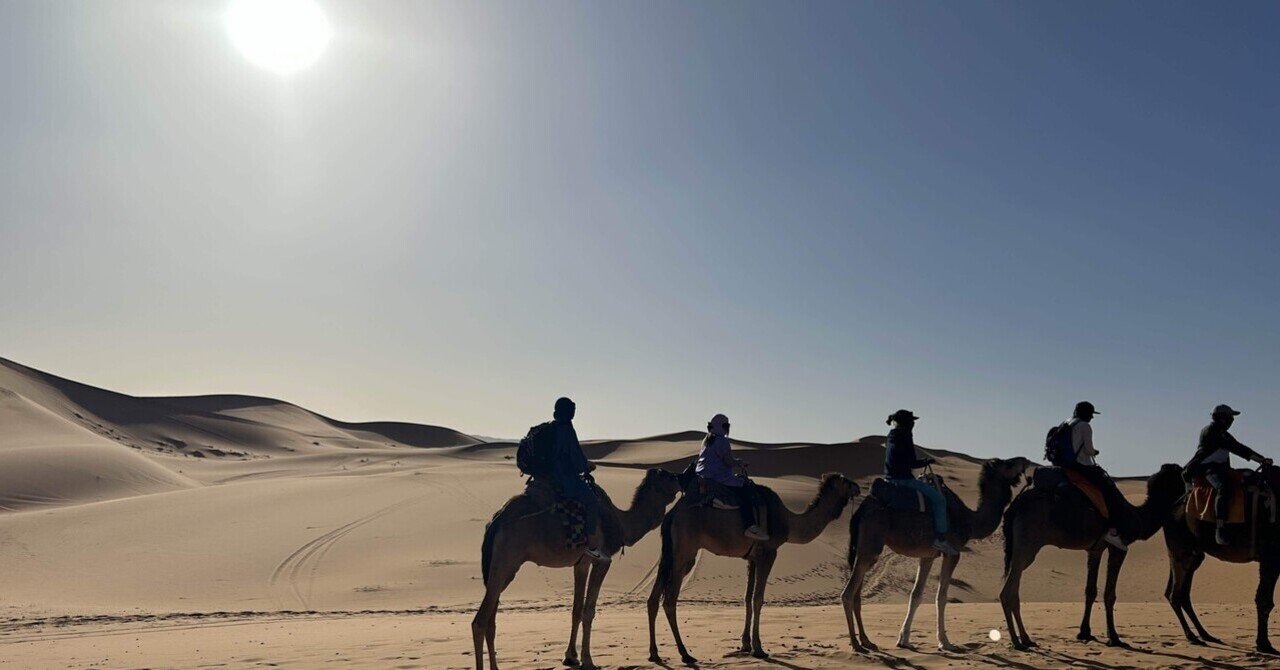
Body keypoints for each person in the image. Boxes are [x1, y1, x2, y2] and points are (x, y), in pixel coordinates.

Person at [1186, 404, 1273, 545]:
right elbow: (1236, 448)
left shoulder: (1223, 433)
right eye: (1230, 417)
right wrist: (1260, 459)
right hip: (1208, 469)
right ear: (1222, 419)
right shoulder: (1211, 431)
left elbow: (1239, 446)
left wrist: (1262, 459)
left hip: (1223, 468)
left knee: (1250, 477)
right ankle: (1220, 528)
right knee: (1223, 487)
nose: (1232, 420)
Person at [1060, 401, 1135, 551]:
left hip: (1064, 466)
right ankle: (1112, 531)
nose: (1092, 418)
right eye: (1091, 414)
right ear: (1085, 413)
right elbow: (1088, 450)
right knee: (1109, 491)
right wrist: (1095, 452)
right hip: (1081, 466)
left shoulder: (1066, 423)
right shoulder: (1084, 426)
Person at [884, 410, 958, 556]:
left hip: (889, 479)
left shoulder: (891, 435)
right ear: (907, 423)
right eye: (912, 422)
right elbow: (910, 462)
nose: (913, 424)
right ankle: (940, 539)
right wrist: (926, 461)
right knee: (939, 500)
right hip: (904, 480)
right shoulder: (905, 436)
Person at [550, 397, 610, 561]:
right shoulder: (566, 429)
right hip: (565, 478)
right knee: (592, 502)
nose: (574, 413)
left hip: (551, 476)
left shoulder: (553, 427)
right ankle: (592, 545)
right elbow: (576, 458)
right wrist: (587, 466)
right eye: (572, 409)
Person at [695, 414, 769, 541]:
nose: (727, 429)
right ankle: (750, 526)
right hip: (718, 477)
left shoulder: (706, 439)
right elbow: (728, 462)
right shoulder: (722, 441)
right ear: (723, 426)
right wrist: (739, 463)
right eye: (726, 426)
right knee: (745, 490)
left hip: (702, 475)